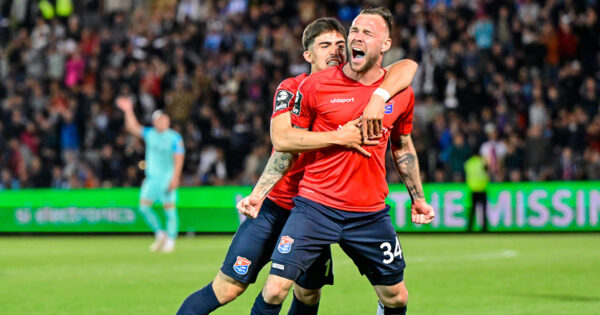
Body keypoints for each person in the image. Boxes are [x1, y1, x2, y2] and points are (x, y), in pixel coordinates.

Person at [177, 17, 418, 315]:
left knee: (308, 293)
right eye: (325, 45)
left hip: (316, 208)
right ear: (308, 55)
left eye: (340, 45)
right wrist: (338, 137)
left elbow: (407, 67)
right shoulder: (295, 88)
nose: (335, 51)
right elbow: (282, 139)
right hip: (279, 205)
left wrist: (380, 95)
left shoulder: (365, 87)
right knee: (228, 288)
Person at [247, 8, 434, 315]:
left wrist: (419, 199)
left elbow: (401, 145)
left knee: (396, 297)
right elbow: (287, 146)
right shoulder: (315, 85)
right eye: (355, 31)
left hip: (369, 213)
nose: (357, 38)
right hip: (315, 207)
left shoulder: (400, 93)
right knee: (276, 289)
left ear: (385, 44)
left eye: (367, 33)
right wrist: (260, 192)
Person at [117, 98, 185, 253]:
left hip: (167, 176)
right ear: (155, 122)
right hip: (152, 178)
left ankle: (171, 239)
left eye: (164, 119)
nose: (162, 122)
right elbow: (132, 127)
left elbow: (179, 158)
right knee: (144, 207)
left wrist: (175, 177)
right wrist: (128, 110)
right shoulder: (150, 134)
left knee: (169, 210)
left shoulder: (175, 137)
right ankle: (160, 233)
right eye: (159, 119)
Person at [464, 153, 490, 232]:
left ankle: (469, 227)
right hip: (482, 188)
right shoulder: (482, 161)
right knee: (484, 210)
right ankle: (484, 228)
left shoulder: (468, 163)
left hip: (473, 189)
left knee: (472, 210)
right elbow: (487, 171)